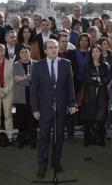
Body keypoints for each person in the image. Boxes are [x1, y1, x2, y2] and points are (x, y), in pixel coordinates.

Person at [31, 39, 77, 179]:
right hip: (44, 108)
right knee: (44, 137)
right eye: (50, 47)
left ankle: (56, 162)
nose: (53, 50)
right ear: (45, 50)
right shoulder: (38, 66)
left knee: (59, 137)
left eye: (55, 47)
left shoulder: (66, 64)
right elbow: (34, 90)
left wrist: (72, 104)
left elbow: (70, 85)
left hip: (62, 106)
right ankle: (42, 166)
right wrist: (35, 109)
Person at [81, 45, 111, 147]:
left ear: (101, 53)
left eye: (97, 51)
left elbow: (108, 79)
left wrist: (98, 79)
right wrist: (100, 81)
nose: (95, 54)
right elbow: (88, 80)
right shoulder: (87, 65)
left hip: (102, 94)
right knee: (88, 119)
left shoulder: (105, 65)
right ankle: (87, 141)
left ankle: (101, 140)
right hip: (90, 94)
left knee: (101, 119)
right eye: (93, 52)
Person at [12, 45, 37, 149]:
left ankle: (33, 140)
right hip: (20, 96)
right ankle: (22, 140)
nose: (24, 54)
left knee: (33, 119)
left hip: (33, 95)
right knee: (21, 119)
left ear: (30, 52)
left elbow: (35, 79)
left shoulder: (36, 64)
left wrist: (23, 78)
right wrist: (28, 79)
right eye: (22, 52)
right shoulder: (15, 65)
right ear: (19, 54)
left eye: (26, 51)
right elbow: (15, 80)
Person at [67, 33, 91, 139]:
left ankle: (87, 131)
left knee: (87, 107)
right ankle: (71, 132)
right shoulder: (71, 53)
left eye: (86, 40)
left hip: (88, 84)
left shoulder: (92, 53)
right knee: (73, 107)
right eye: (82, 40)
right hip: (74, 83)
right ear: (79, 41)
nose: (84, 42)